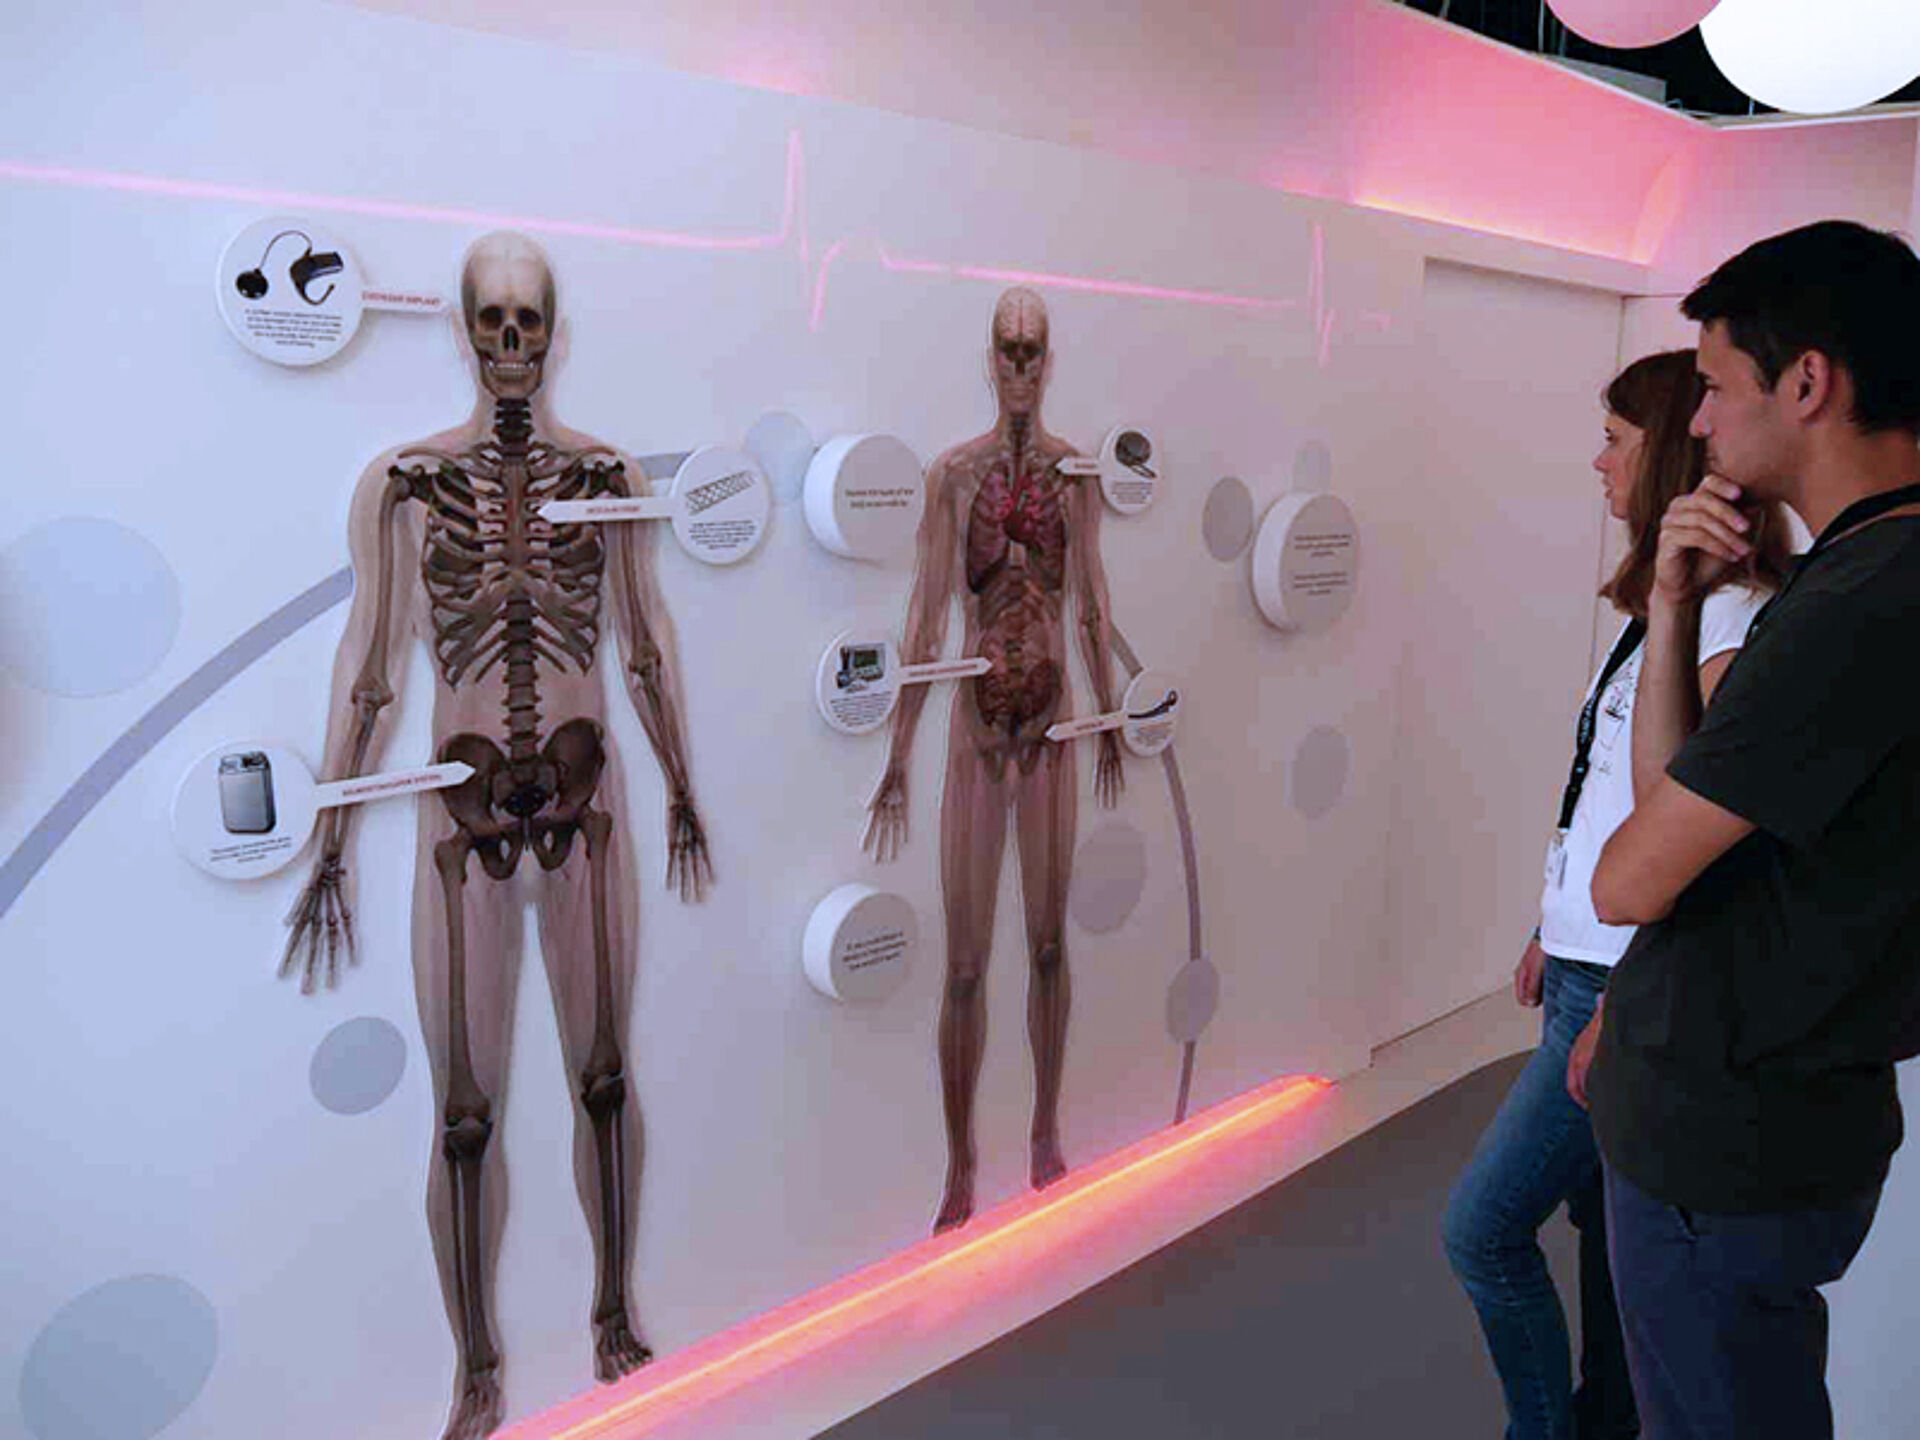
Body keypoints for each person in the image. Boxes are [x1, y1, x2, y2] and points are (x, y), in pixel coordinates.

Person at [1575, 220, 1920, 1440]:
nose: (1704, 422)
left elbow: (1628, 881)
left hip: (1724, 1152)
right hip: (1772, 1127)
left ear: (1808, 382)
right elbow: (1674, 806)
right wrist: (1674, 608)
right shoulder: (1856, 569)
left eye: (1717, 386)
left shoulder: (1865, 602)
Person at [1444, 349, 1791, 1440]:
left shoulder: (1731, 624)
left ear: (1671, 455)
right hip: (1584, 968)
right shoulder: (1664, 610)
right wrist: (1551, 923)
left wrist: (1628, 993)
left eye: (1615, 440)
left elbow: (1698, 844)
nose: (1598, 463)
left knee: (1482, 1231)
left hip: (1619, 991)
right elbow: (1607, 793)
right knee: (1609, 1252)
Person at [861, 286, 1125, 1232]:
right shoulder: (954, 475)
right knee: (965, 965)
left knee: (1049, 944)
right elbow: (927, 617)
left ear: (1047, 363)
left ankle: (1046, 1132)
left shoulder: (1075, 474)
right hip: (976, 731)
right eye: (1007, 350)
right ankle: (961, 1162)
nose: (1018, 366)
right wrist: (898, 753)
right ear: (990, 361)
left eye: (1031, 350)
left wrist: (1109, 719)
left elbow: (1089, 602)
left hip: (1050, 726)